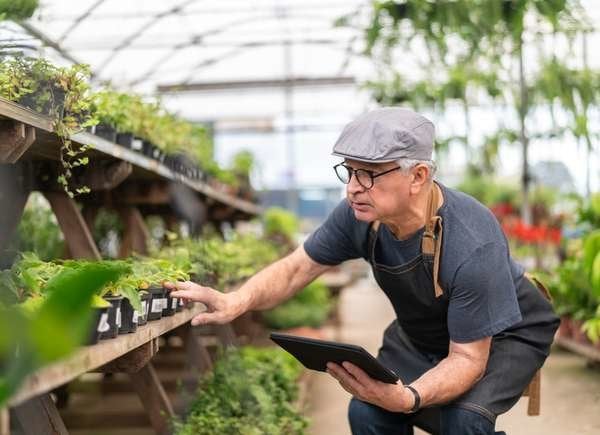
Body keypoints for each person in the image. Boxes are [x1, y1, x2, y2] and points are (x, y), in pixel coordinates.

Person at [165, 107, 559, 435]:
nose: (353, 187)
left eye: (368, 174)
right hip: (424, 332)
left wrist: (411, 398)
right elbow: (297, 268)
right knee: (368, 412)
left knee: (464, 420)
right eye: (349, 171)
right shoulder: (360, 216)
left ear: (418, 176)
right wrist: (237, 301)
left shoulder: (473, 240)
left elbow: (468, 359)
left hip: (503, 333)